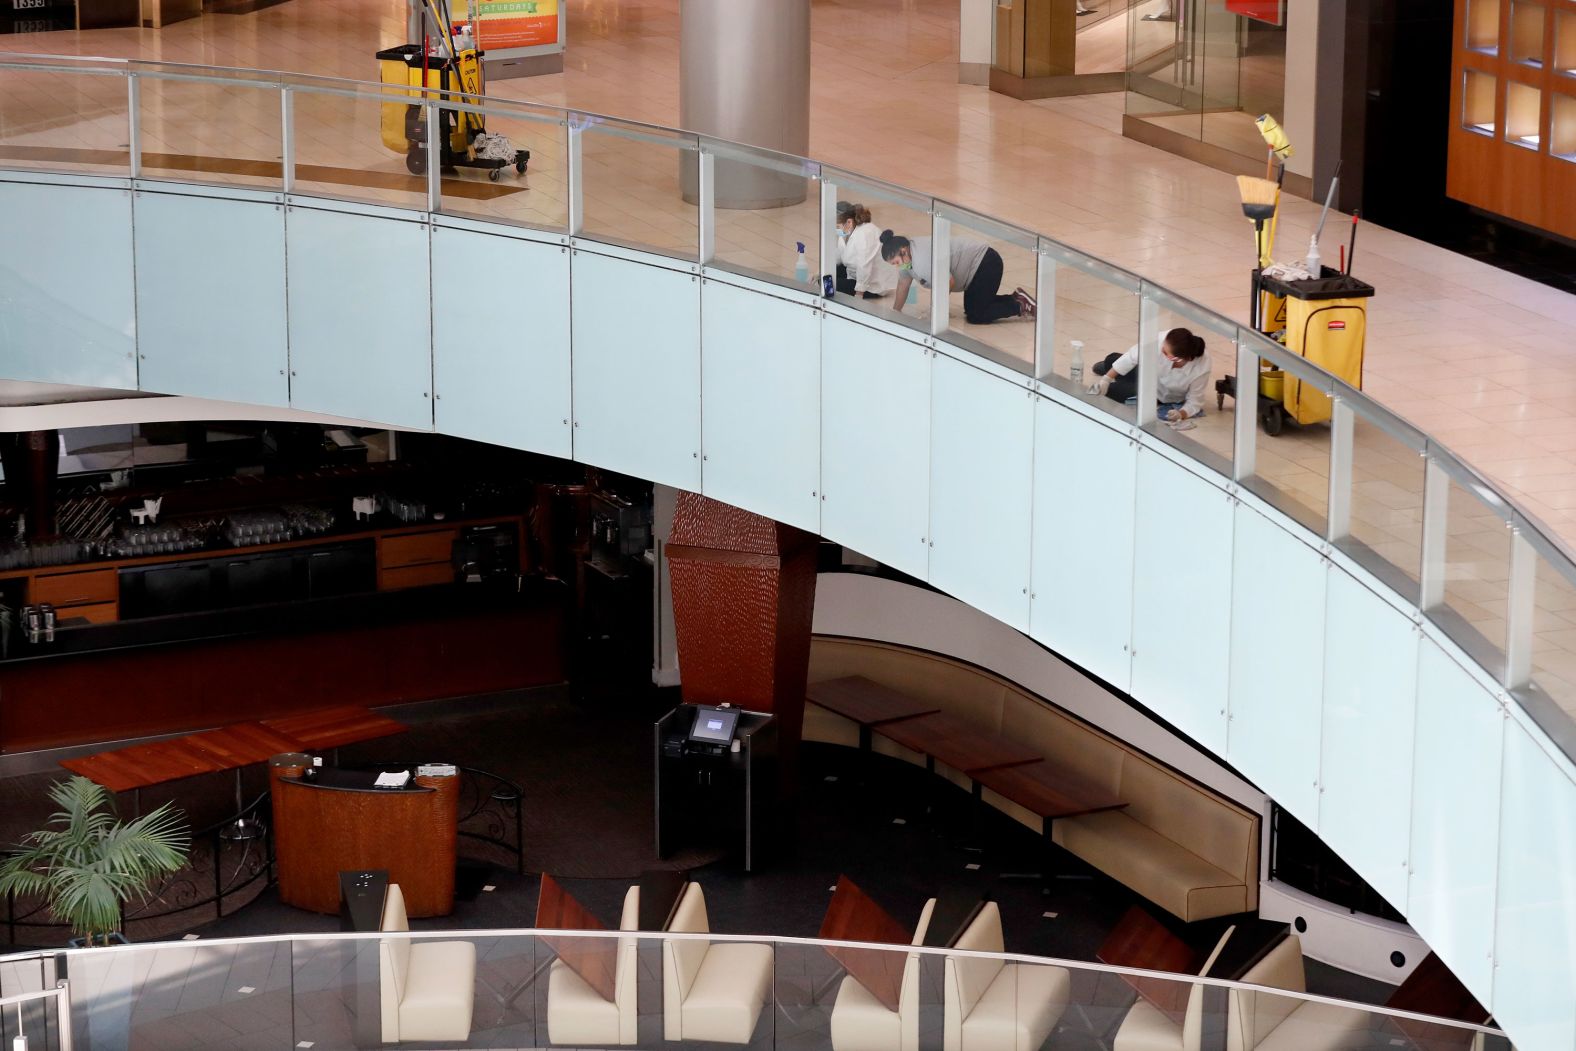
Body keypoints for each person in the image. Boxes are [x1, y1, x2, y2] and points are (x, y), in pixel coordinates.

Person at [879, 230, 1035, 325]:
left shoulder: (922, 259)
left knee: (976, 315)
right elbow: (903, 284)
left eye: (896, 262)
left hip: (985, 263)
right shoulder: (909, 258)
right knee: (973, 309)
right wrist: (895, 312)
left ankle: (1020, 306)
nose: (897, 266)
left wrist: (935, 311)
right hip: (975, 270)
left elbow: (949, 282)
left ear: (904, 251)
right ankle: (1017, 298)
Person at [1087, 327, 1210, 427]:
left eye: (1165, 353)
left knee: (1113, 392)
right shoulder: (1162, 340)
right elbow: (1132, 356)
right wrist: (1106, 379)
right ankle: (1108, 367)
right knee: (1112, 359)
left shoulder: (1202, 367)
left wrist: (1181, 414)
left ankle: (1114, 372)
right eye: (1163, 347)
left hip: (1156, 394)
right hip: (1148, 373)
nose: (1161, 350)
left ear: (1179, 359)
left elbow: (1195, 401)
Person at [834, 202, 897, 299]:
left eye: (838, 227)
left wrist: (859, 293)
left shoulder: (865, 234)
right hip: (855, 271)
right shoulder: (848, 230)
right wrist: (821, 271)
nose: (836, 229)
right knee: (826, 276)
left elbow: (864, 266)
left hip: (874, 284)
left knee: (832, 283)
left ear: (849, 222)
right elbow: (839, 253)